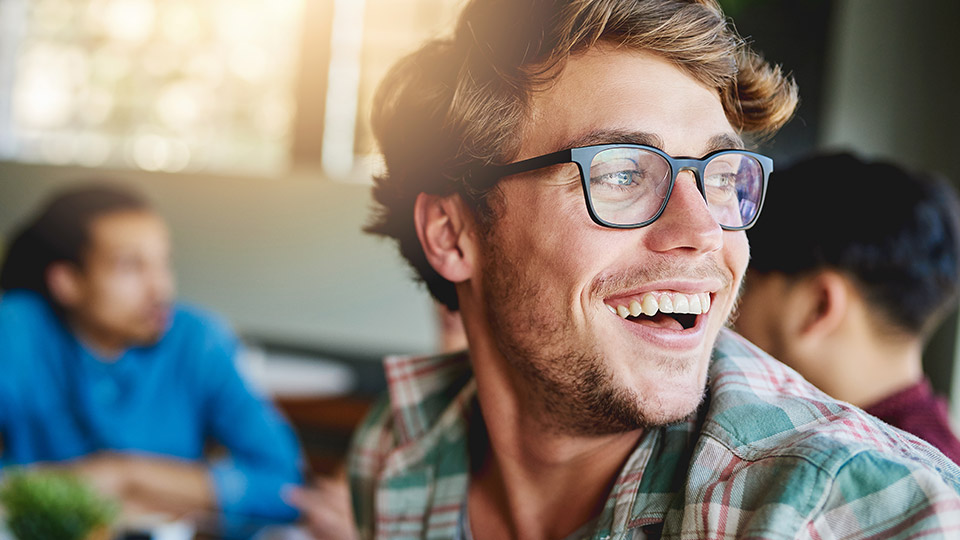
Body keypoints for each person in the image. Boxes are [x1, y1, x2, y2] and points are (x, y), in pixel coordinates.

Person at [297, 0, 960, 538]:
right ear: (453, 232)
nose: (706, 232)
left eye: (721, 176)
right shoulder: (395, 454)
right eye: (620, 173)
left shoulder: (850, 512)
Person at [0, 185, 304, 531]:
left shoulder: (198, 339)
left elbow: (284, 486)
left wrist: (125, 475)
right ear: (66, 281)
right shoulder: (17, 329)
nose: (160, 288)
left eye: (164, 263)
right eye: (130, 267)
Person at [734, 152, 960, 463]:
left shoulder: (861, 474)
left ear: (819, 306)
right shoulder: (940, 457)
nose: (732, 311)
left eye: (748, 286)